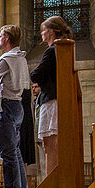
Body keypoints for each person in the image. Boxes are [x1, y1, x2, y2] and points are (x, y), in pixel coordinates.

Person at [0, 24, 31, 188]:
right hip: (18, 105)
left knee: (7, 153)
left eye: (0, 35)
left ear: (7, 39)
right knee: (16, 152)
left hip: (6, 107)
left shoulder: (6, 58)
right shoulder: (21, 58)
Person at [29, 15, 72, 177]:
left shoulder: (52, 50)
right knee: (53, 144)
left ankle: (52, 183)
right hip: (59, 98)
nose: (42, 34)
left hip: (52, 100)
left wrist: (39, 77)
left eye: (43, 30)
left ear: (52, 31)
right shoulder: (64, 49)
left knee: (50, 144)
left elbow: (36, 74)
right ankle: (55, 181)